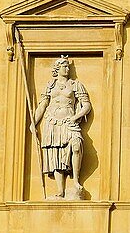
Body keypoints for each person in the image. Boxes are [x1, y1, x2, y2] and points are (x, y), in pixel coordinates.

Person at [30, 55, 91, 199]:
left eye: (68, 66)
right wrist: (34, 123)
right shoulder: (50, 85)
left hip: (69, 121)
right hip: (52, 122)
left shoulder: (75, 84)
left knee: (76, 145)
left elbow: (86, 105)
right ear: (57, 69)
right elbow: (42, 105)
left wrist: (76, 117)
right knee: (55, 153)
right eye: (64, 66)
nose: (67, 68)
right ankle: (60, 190)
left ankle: (76, 181)